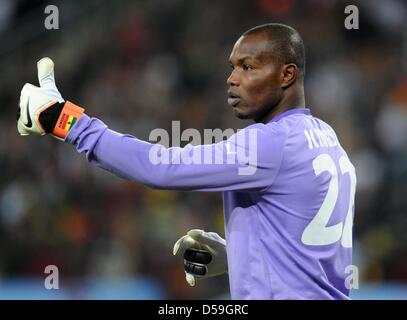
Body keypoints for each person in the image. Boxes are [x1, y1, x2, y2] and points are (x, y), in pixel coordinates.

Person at [17, 23, 356, 300]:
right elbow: (312, 253)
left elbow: (160, 167)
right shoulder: (327, 139)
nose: (232, 78)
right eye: (233, 67)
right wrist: (239, 255)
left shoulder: (272, 143)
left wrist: (67, 122)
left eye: (248, 67)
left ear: (287, 75)